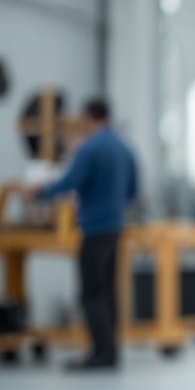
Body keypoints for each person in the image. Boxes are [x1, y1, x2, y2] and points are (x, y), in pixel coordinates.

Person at [32, 98, 138, 370]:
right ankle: (111, 352)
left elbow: (70, 181)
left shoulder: (90, 148)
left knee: (91, 292)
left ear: (89, 118)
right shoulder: (125, 149)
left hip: (93, 229)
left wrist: (40, 192)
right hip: (115, 228)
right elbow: (133, 189)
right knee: (109, 291)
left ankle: (99, 354)